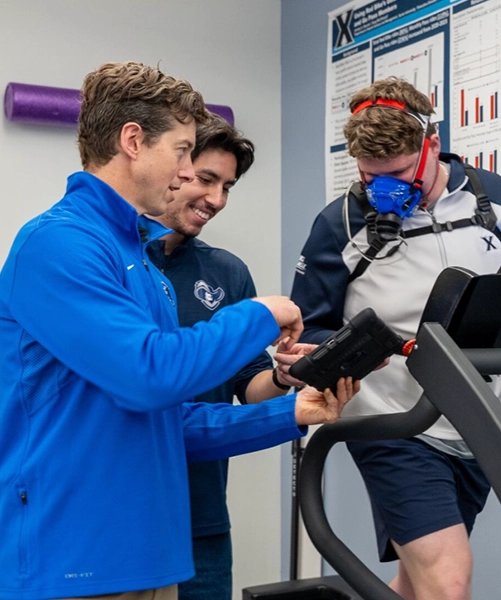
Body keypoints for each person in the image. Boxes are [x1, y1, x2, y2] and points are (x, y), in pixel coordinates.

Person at [0, 61, 357, 600]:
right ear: (133, 141)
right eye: (185, 152)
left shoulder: (142, 264)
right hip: (72, 557)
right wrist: (258, 314)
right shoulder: (59, 244)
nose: (189, 172)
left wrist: (290, 413)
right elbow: (151, 375)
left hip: (153, 558)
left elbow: (169, 421)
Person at [290, 78, 501, 600]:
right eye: (370, 177)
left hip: (475, 422)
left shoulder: (500, 203)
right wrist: (351, 354)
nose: (385, 190)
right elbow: (309, 325)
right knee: (448, 582)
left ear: (432, 144)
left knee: (417, 583)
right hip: (389, 422)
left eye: (401, 173)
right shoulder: (340, 222)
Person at [147, 114, 309, 600]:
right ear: (171, 168)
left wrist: (283, 378)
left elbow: (249, 381)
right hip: (127, 511)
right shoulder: (114, 265)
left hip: (203, 516)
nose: (216, 200)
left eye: (227, 187)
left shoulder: (227, 273)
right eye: (205, 179)